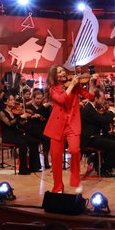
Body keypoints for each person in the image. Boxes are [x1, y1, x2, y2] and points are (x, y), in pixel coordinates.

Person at [44, 64, 95, 193]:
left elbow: (90, 96)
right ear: (54, 76)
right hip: (56, 126)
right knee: (55, 158)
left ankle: (75, 179)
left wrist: (93, 83)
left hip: (72, 124)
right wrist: (72, 85)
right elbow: (61, 99)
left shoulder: (75, 85)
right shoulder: (52, 88)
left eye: (63, 70)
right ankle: (57, 187)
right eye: (59, 72)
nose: (63, 73)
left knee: (74, 150)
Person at [80, 89, 115, 180]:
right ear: (96, 98)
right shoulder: (88, 109)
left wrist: (109, 118)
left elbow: (102, 121)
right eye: (102, 99)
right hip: (90, 139)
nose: (104, 101)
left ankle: (106, 168)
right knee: (114, 144)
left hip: (96, 136)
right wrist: (112, 113)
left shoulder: (94, 108)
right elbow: (102, 120)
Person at [0, 94, 41, 175]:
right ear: (5, 102)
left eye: (13, 99)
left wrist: (25, 120)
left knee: (34, 141)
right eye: (11, 100)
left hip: (16, 134)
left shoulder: (15, 112)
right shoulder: (2, 112)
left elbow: (20, 125)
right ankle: (23, 169)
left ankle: (34, 167)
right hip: (8, 135)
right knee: (23, 142)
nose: (13, 101)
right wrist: (20, 117)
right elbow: (9, 124)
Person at [25, 88, 51, 169]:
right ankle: (44, 161)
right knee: (45, 136)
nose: (39, 100)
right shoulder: (29, 106)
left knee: (47, 136)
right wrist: (41, 111)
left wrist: (40, 115)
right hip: (32, 129)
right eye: (37, 99)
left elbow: (47, 116)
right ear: (33, 98)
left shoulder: (44, 107)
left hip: (42, 128)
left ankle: (46, 158)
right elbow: (31, 116)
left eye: (40, 99)